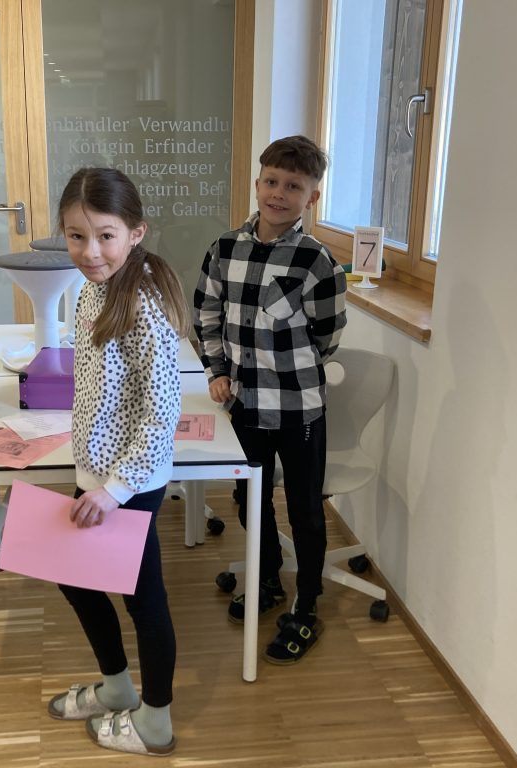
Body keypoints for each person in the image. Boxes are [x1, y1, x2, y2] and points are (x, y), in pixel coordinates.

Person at [45, 167, 189, 757]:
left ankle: (155, 722)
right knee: (75, 576)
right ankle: (117, 687)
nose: (90, 251)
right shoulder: (92, 291)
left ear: (135, 232)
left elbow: (162, 412)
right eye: (76, 236)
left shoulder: (144, 303)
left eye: (105, 236)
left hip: (129, 482)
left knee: (142, 600)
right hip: (96, 472)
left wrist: (115, 489)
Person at [194, 135, 347, 664]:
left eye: (294, 186)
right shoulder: (224, 249)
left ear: (312, 196)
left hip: (299, 409)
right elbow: (207, 315)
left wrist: (285, 367)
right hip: (245, 406)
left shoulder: (317, 261)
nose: (279, 193)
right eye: (272, 182)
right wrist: (218, 370)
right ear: (258, 183)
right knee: (248, 498)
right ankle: (266, 578)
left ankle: (306, 604)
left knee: (304, 508)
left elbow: (327, 335)